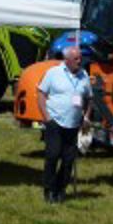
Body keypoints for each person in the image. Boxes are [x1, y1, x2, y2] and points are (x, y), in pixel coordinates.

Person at [36, 46, 93, 204]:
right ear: (66, 60)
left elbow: (89, 98)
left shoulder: (84, 75)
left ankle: (60, 190)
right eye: (76, 59)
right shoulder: (53, 73)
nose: (79, 61)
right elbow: (41, 93)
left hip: (74, 124)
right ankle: (48, 191)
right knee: (52, 156)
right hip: (55, 122)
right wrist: (47, 117)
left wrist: (87, 117)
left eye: (80, 58)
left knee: (68, 161)